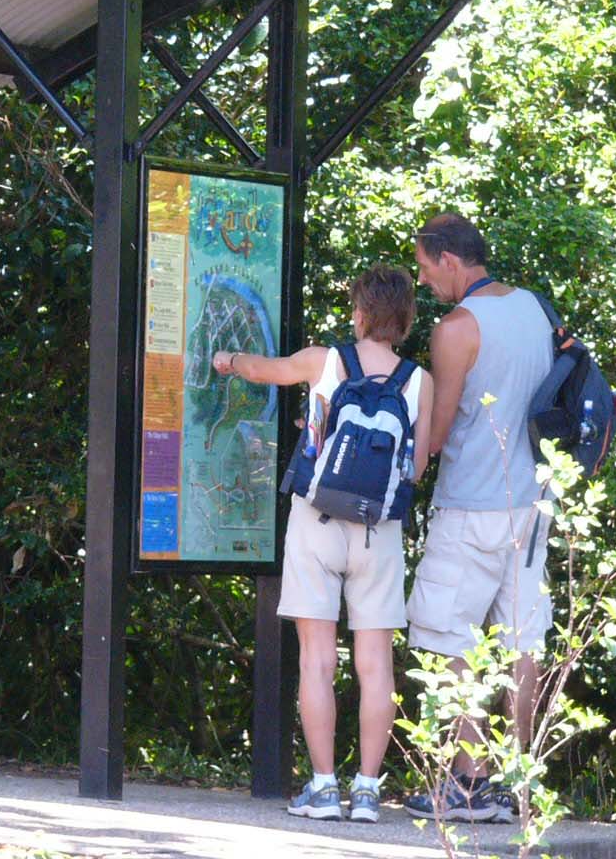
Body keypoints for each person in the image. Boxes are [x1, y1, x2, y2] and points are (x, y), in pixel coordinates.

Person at [213, 265, 433, 824]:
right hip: (377, 531)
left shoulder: (324, 361)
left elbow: (266, 370)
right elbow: (419, 463)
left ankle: (322, 786)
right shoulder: (418, 381)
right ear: (405, 320)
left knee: (317, 658)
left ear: (359, 313)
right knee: (376, 664)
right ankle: (366, 792)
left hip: (316, 520)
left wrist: (230, 362)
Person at [401, 213, 555, 825]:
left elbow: (436, 437)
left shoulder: (457, 329)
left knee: (450, 637)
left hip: (469, 505)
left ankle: (469, 782)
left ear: (448, 259)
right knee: (524, 640)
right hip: (534, 502)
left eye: (423, 266)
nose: (423, 279)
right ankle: (519, 780)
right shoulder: (534, 311)